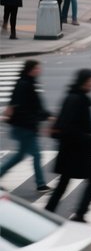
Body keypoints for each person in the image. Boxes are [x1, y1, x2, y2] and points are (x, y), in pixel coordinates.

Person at [45, 69, 91, 221]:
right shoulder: (77, 99)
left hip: (72, 150)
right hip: (76, 150)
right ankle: (80, 213)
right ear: (84, 82)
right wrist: (90, 137)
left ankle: (48, 212)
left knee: (63, 183)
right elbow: (69, 127)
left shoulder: (76, 97)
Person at [0, 60, 52, 192]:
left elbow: (34, 106)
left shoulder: (27, 82)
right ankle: (41, 184)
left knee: (20, 155)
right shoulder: (25, 84)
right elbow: (23, 107)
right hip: (24, 127)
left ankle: (40, 184)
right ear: (31, 69)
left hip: (24, 126)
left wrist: (47, 115)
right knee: (36, 155)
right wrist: (40, 118)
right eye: (37, 68)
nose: (39, 70)